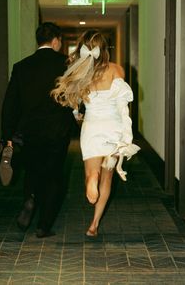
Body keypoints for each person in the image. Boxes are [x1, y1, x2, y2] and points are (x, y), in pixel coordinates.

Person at [51, 29, 140, 237]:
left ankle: (92, 180)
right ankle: (94, 224)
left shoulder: (80, 71)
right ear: (105, 49)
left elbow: (75, 103)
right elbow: (122, 104)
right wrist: (126, 134)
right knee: (107, 180)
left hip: (91, 127)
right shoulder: (116, 69)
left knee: (92, 173)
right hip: (113, 128)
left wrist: (77, 115)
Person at [1, 22, 75, 238]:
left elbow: (10, 103)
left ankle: (31, 197)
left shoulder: (21, 66)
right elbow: (73, 98)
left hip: (29, 130)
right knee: (53, 175)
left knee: (32, 170)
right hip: (57, 130)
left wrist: (7, 136)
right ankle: (44, 225)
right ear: (55, 41)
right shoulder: (66, 65)